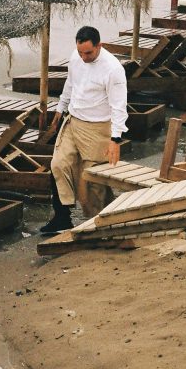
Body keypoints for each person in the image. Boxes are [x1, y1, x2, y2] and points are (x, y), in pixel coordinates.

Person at [40, 25, 128, 235]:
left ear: (100, 46)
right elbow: (71, 83)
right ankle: (62, 217)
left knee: (91, 181)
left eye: (88, 52)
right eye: (80, 52)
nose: (84, 57)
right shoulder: (76, 57)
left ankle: (103, 221)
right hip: (74, 120)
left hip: (99, 128)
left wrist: (115, 138)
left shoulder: (113, 69)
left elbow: (119, 106)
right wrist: (60, 108)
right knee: (58, 165)